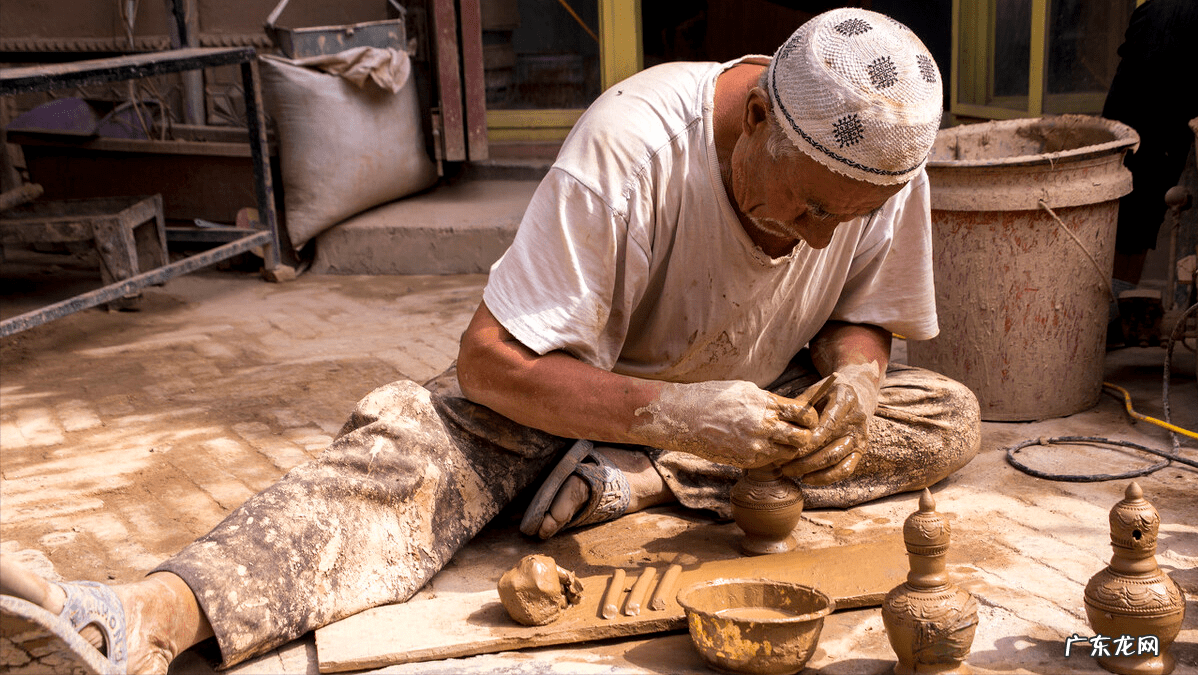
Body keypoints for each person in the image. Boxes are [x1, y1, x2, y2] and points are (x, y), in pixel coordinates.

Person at [0, 8, 980, 673]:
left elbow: (863, 314)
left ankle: (634, 484)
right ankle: (141, 620)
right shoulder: (632, 142)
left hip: (742, 410)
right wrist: (675, 412)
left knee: (940, 418)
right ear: (758, 110)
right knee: (405, 457)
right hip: (570, 397)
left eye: (844, 219)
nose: (818, 235)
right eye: (809, 208)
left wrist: (855, 376)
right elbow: (490, 364)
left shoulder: (876, 170)